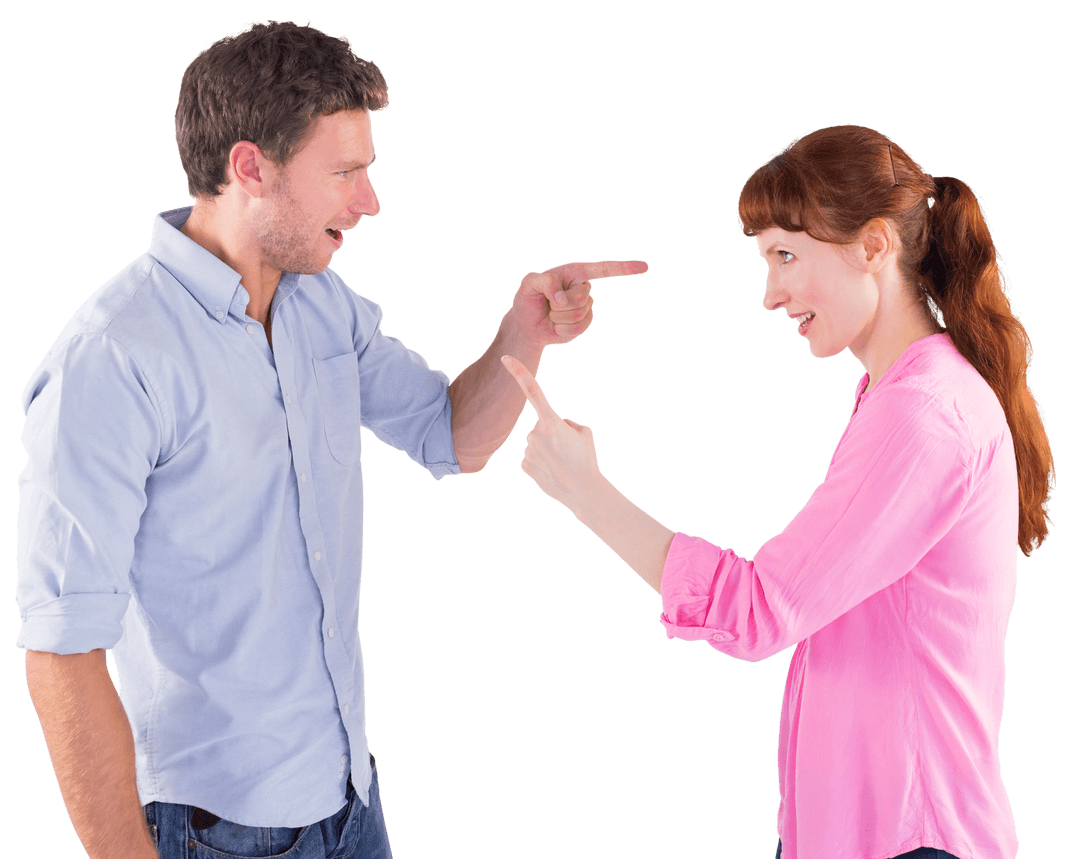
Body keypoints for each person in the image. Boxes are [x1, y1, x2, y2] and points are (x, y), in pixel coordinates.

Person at [15, 20, 646, 859]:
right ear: (250, 167)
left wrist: (519, 334)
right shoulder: (113, 356)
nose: (370, 201)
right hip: (213, 833)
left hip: (350, 803)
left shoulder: (320, 303)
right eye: (344, 173)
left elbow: (449, 434)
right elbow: (61, 652)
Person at [501, 125, 1054, 859]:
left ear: (874, 246)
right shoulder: (900, 396)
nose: (770, 295)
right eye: (766, 262)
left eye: (786, 257)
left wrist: (585, 490)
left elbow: (757, 609)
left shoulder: (920, 415)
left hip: (909, 838)